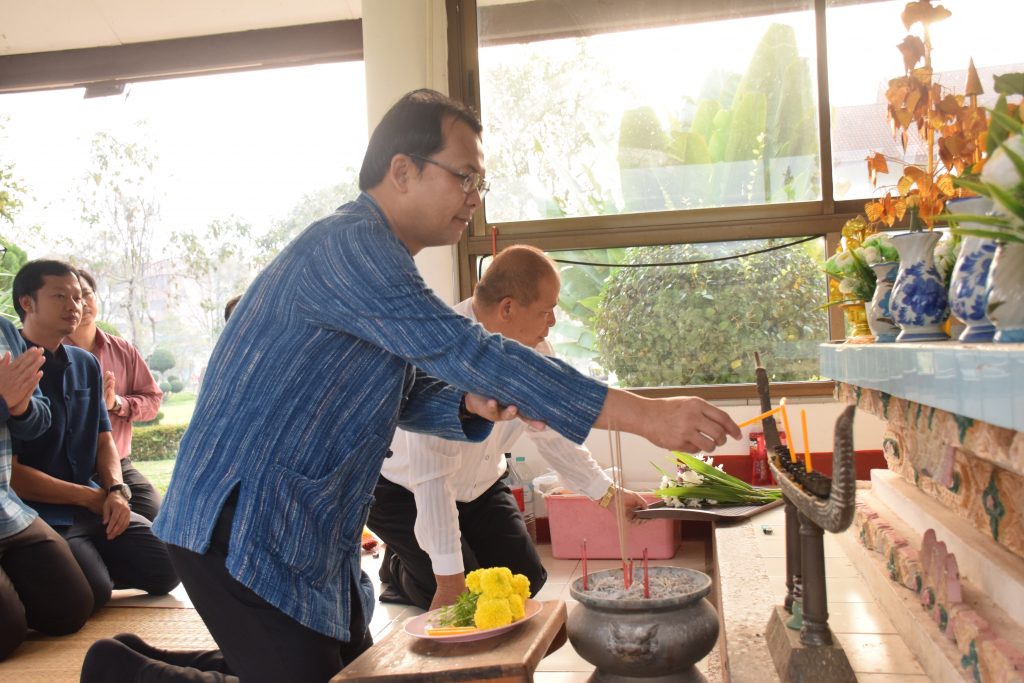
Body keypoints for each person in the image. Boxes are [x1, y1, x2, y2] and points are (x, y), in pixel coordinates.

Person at [83, 89, 739, 683]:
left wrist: (466, 401)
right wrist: (645, 415)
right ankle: (120, 672)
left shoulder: (378, 257)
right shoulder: (350, 249)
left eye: (479, 181)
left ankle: (125, 663)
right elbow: (470, 349)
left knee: (345, 672)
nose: (474, 196)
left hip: (308, 527)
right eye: (465, 176)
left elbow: (404, 392)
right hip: (243, 523)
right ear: (403, 170)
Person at [369, 245, 648, 610]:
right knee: (462, 598)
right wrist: (448, 579)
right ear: (508, 308)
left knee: (525, 581)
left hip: (479, 485)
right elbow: (431, 480)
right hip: (406, 489)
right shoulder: (441, 353)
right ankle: (398, 568)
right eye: (546, 311)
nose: (552, 322)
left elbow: (552, 436)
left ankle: (433, 556)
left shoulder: (537, 349)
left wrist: (608, 496)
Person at [9, 260, 179, 613]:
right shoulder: (12, 369)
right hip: (45, 512)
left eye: (79, 296)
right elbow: (13, 475)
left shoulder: (86, 363)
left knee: (169, 570)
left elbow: (104, 438)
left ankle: (86, 566)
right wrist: (89, 497)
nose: (75, 306)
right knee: (93, 593)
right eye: (60, 296)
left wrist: (115, 490)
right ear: (27, 303)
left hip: (95, 499)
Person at [0, 317, 93, 660]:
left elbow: (40, 419)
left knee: (70, 610)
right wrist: (3, 403)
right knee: (6, 635)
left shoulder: (4, 330)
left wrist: (20, 407)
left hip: (7, 507)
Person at [65, 269, 164, 521]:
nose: (82, 304)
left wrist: (118, 404)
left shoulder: (123, 350)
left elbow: (153, 400)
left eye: (86, 294)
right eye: (72, 297)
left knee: (158, 517)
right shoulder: (52, 352)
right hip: (68, 472)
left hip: (119, 465)